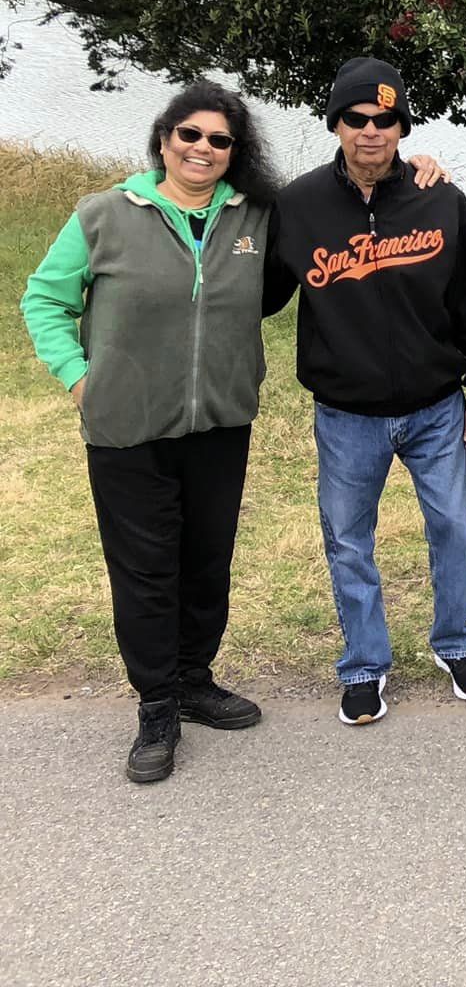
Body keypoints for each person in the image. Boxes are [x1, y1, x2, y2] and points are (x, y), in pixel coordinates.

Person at [21, 81, 279, 783]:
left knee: (207, 563)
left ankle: (194, 679)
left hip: (220, 423)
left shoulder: (256, 216)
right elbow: (44, 299)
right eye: (189, 134)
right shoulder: (105, 213)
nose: (203, 148)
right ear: (164, 139)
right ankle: (157, 705)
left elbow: (337, 204)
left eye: (219, 140)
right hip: (127, 428)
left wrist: (416, 167)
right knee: (145, 572)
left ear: (235, 152)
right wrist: (81, 379)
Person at [265, 57, 466, 726]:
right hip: (347, 413)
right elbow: (259, 293)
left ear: (402, 127)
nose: (371, 131)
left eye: (386, 119)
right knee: (349, 541)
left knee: (453, 529)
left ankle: (456, 644)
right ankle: (364, 665)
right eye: (356, 119)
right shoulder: (299, 204)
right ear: (336, 125)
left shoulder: (440, 198)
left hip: (437, 407)